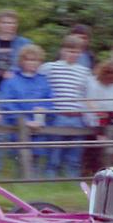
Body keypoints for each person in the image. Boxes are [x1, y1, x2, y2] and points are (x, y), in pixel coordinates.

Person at [0, 44, 53, 177]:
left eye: (35, 60)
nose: (32, 63)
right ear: (22, 61)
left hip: (39, 130)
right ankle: (20, 187)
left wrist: (44, 110)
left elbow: (50, 101)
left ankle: (34, 187)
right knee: (19, 162)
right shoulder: (11, 80)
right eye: (29, 59)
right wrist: (24, 121)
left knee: (36, 162)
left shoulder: (43, 81)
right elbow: (7, 103)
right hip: (16, 129)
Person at [39, 35, 91, 177]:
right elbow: (38, 83)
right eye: (69, 51)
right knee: (55, 152)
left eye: (76, 52)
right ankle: (50, 180)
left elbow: (86, 94)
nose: (73, 54)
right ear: (62, 51)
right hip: (58, 115)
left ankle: (71, 179)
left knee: (75, 153)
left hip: (77, 117)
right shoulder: (50, 67)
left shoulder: (84, 71)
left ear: (81, 53)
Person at [84, 61, 113, 173]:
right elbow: (89, 101)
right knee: (97, 142)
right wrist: (98, 112)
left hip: (112, 117)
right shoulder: (93, 83)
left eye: (112, 79)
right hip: (95, 117)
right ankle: (95, 169)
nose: (109, 81)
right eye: (107, 78)